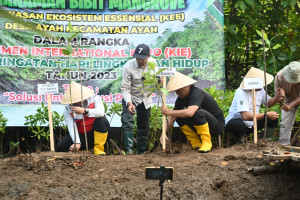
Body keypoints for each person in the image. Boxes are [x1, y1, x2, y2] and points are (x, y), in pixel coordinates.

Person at [160, 72, 225, 153]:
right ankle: (196, 143)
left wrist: (169, 111)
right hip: (198, 125)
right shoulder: (180, 99)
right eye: (176, 90)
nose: (178, 92)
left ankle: (206, 142)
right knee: (178, 116)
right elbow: (172, 116)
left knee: (198, 112)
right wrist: (163, 133)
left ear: (187, 86)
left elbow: (190, 112)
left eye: (179, 89)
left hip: (216, 126)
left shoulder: (196, 93)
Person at [225, 67, 282, 143]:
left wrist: (276, 96)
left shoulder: (260, 89)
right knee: (237, 125)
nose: (263, 86)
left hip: (252, 123)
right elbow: (245, 116)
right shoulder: (241, 92)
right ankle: (240, 144)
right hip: (238, 121)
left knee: (273, 118)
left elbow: (269, 103)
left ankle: (266, 142)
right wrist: (266, 115)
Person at [121, 44, 157, 154]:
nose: (139, 60)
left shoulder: (153, 63)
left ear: (148, 56)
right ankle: (129, 151)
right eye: (137, 58)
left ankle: (141, 153)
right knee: (127, 122)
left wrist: (158, 82)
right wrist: (129, 103)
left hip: (146, 99)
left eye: (142, 58)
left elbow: (156, 80)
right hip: (131, 97)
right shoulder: (128, 66)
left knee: (144, 125)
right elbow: (125, 87)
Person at [56, 82, 110, 155]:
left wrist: (85, 111)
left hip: (97, 134)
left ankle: (98, 150)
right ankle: (80, 150)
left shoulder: (95, 98)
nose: (77, 102)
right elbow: (71, 126)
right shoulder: (67, 109)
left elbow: (101, 113)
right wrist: (77, 142)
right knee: (60, 146)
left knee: (101, 120)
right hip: (82, 136)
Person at [275, 61, 300, 145]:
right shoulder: (279, 76)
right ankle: (283, 145)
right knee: (285, 123)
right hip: (288, 99)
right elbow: (277, 97)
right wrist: (282, 102)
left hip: (292, 101)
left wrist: (291, 105)